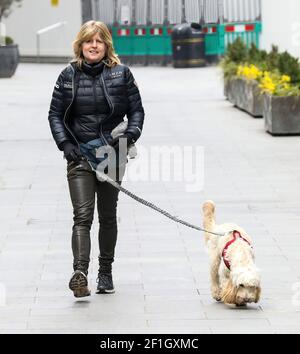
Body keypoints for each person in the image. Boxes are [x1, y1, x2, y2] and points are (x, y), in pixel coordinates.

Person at [48, 21, 145, 297]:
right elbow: (55, 114)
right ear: (80, 45)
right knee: (82, 216)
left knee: (108, 216)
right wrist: (65, 144)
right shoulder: (67, 76)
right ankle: (80, 272)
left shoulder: (122, 74)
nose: (93, 46)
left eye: (99, 41)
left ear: (106, 45)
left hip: (112, 155)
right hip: (79, 155)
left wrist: (129, 136)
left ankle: (105, 272)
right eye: (88, 41)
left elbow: (137, 112)